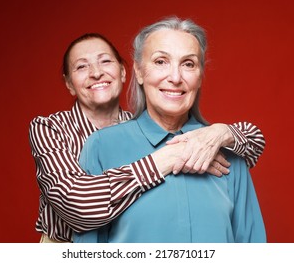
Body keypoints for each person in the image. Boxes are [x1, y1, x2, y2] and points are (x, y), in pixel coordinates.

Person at [29, 32, 265, 243]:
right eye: (81, 67)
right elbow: (78, 206)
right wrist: (171, 155)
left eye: (105, 61)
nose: (96, 73)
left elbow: (250, 241)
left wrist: (223, 132)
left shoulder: (215, 145)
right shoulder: (52, 129)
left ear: (124, 72)